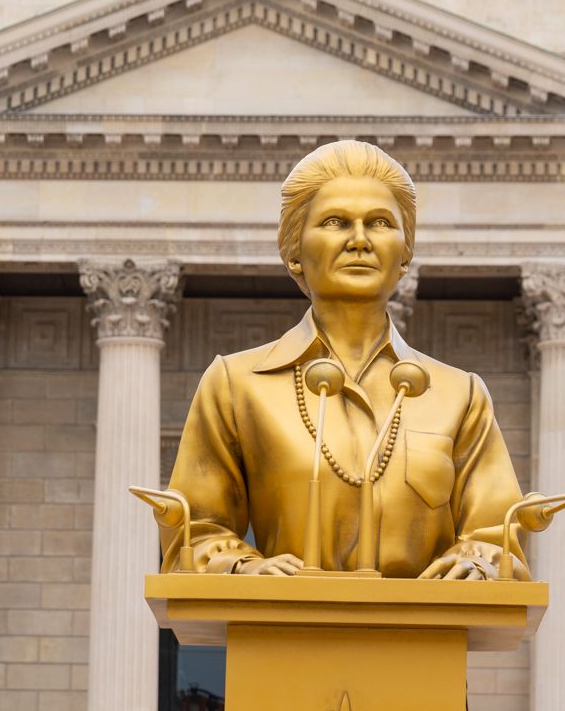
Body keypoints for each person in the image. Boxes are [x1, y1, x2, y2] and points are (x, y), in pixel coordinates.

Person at [162, 139, 528, 580]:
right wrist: (244, 569)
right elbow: (195, 532)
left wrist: (477, 565)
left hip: (421, 620)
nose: (359, 240)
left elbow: (497, 536)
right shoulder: (236, 383)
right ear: (294, 251)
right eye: (335, 222)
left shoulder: (459, 394)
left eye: (380, 223)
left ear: (405, 254)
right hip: (282, 619)